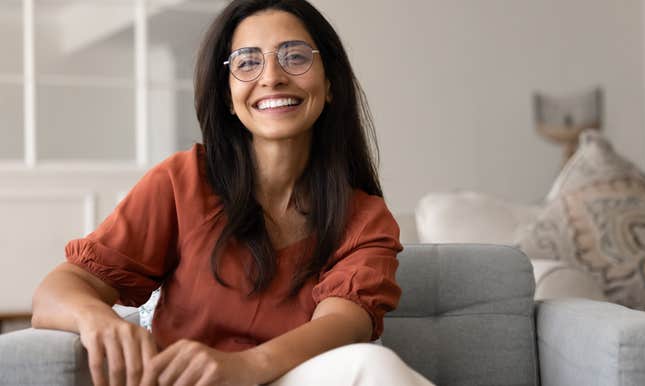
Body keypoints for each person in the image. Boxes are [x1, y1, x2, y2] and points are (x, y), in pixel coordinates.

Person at [30, 1, 433, 385]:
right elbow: (57, 291)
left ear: (329, 85)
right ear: (228, 96)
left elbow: (343, 324)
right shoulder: (182, 181)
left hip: (296, 377)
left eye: (294, 57)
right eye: (247, 62)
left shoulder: (364, 217)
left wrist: (244, 367)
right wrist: (98, 320)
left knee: (371, 365)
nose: (271, 76)